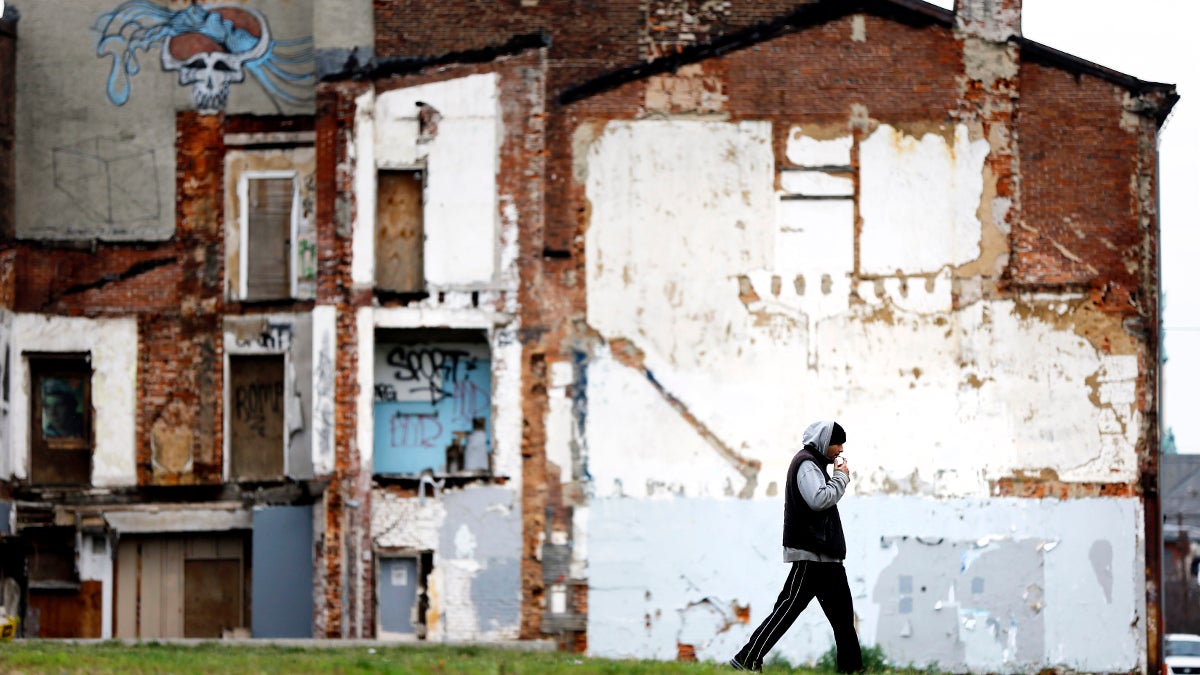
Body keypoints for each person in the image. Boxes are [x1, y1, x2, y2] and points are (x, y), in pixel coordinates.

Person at [730, 420, 863, 673]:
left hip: (827, 558)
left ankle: (852, 670)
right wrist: (841, 478)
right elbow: (819, 499)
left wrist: (837, 477)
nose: (841, 449)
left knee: (843, 620)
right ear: (825, 441)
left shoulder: (814, 464)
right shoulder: (806, 464)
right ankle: (746, 658)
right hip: (812, 556)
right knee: (787, 611)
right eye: (837, 443)